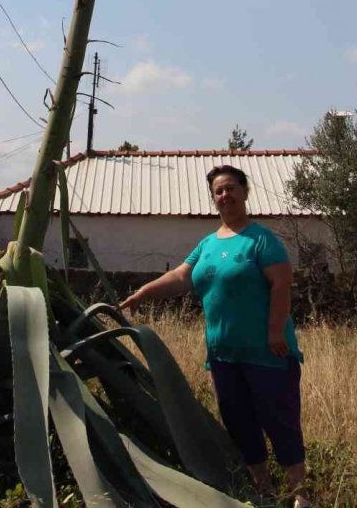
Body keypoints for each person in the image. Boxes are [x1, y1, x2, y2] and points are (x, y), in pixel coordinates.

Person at [121, 165, 312, 508]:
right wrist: (144, 293)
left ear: (245, 191)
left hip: (268, 353)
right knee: (239, 422)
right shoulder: (207, 244)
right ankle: (263, 488)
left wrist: (273, 331)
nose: (225, 196)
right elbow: (182, 277)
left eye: (230, 188)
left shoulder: (262, 240)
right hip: (224, 356)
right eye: (218, 192)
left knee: (279, 420)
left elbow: (283, 282)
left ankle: (299, 493)